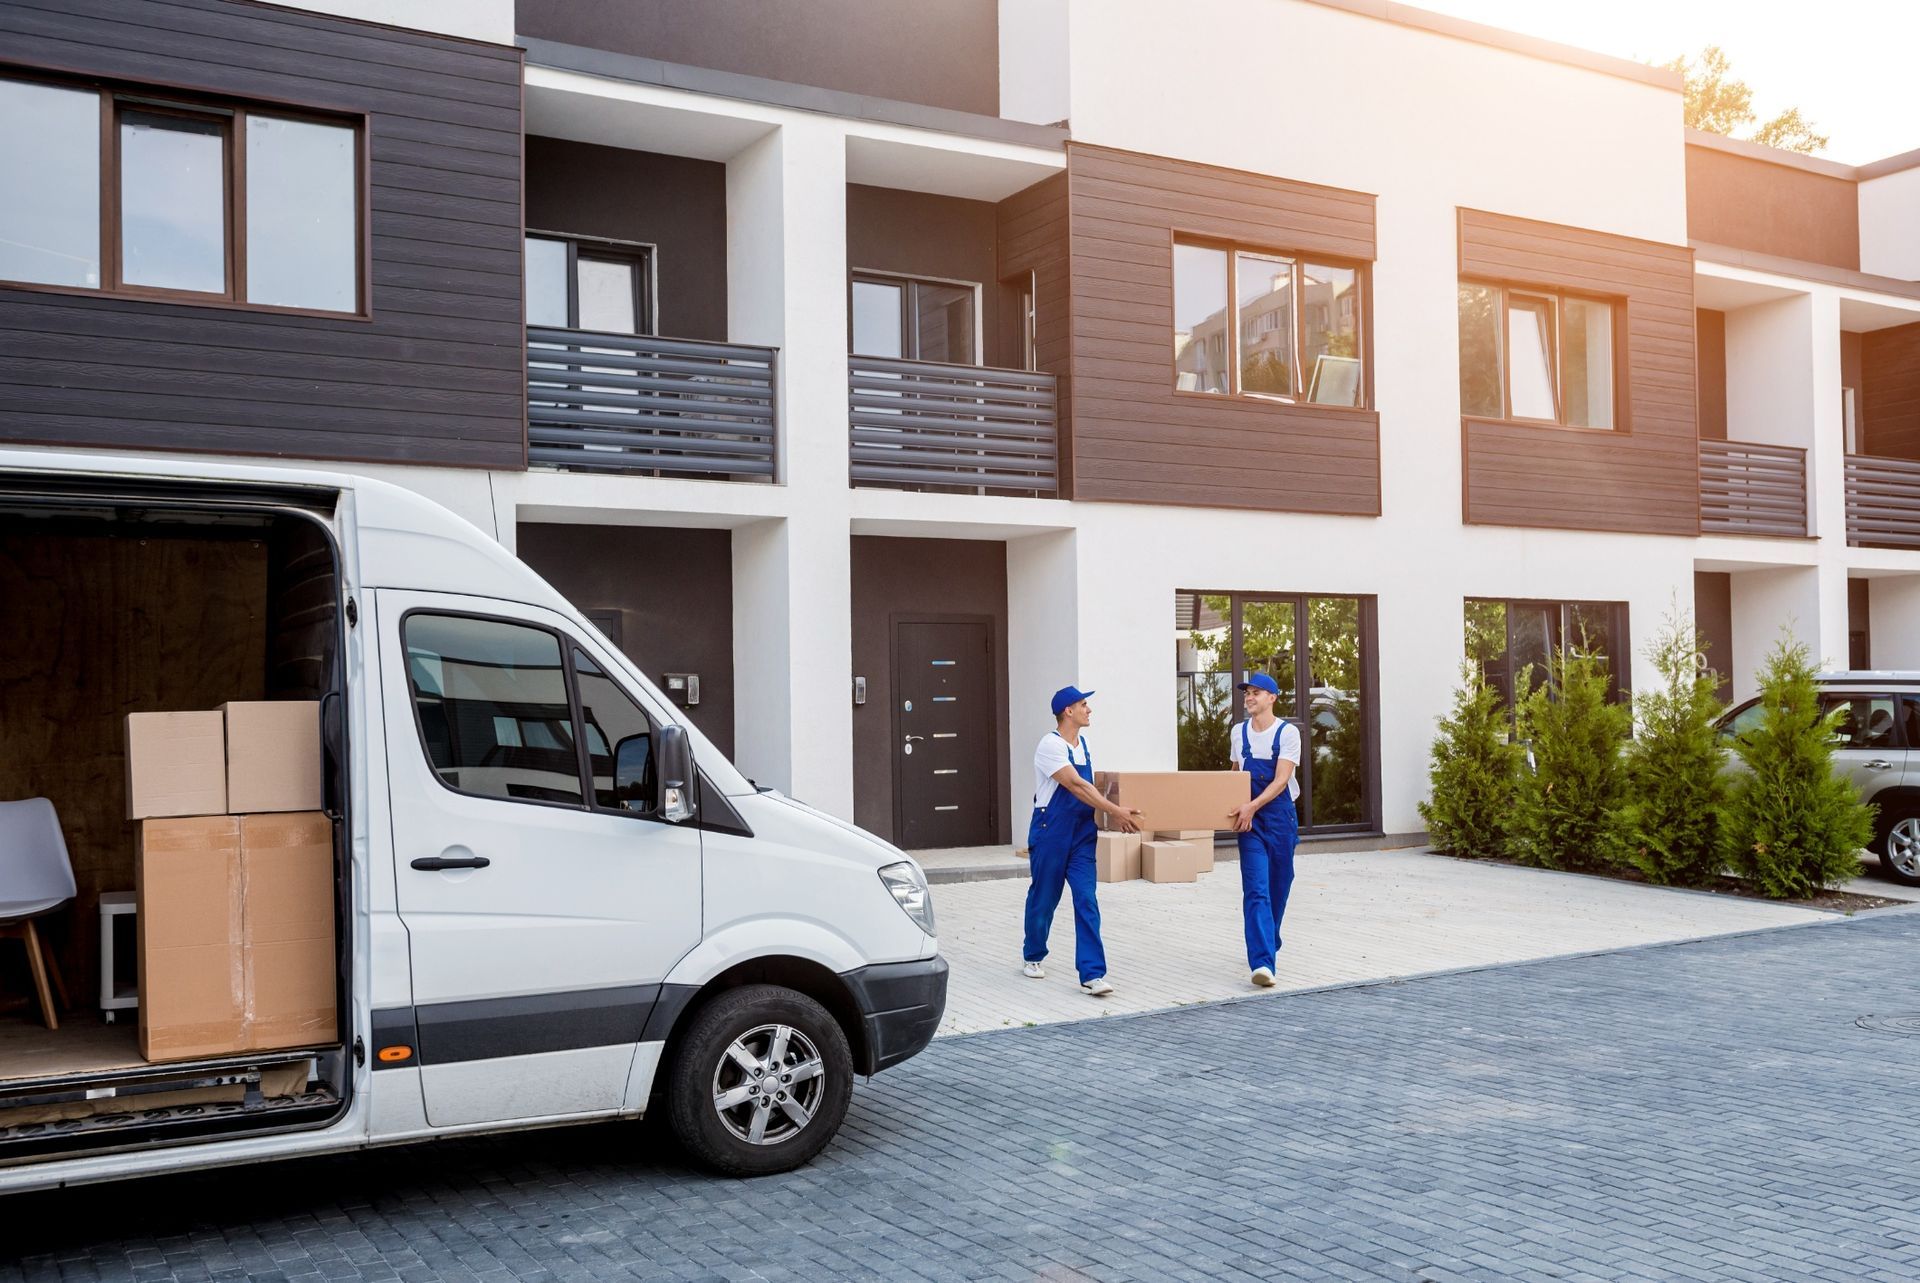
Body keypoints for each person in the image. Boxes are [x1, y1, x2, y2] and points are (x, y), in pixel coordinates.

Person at [1023, 686, 1140, 997]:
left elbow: (1091, 788)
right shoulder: (1050, 746)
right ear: (1068, 712)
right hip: (1051, 831)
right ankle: (1033, 954)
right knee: (1044, 897)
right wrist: (1115, 811)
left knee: (1086, 899)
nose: (1089, 710)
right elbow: (1076, 785)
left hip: (1082, 835)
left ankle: (1092, 973)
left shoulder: (1083, 745)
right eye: (1083, 705)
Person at [1227, 672, 1302, 988]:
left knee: (1279, 886)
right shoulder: (1237, 732)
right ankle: (1262, 963)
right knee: (1256, 889)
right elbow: (1233, 774)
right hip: (1251, 823)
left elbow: (1281, 779)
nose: (1249, 697)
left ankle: (1269, 939)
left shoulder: (1287, 733)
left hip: (1280, 817)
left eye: (1256, 692)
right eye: (1247, 693)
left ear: (1272, 697)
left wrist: (1252, 805)